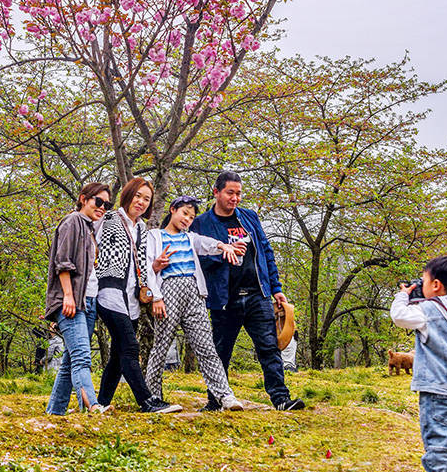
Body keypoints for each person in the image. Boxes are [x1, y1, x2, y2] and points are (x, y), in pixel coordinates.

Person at [191, 171, 304, 411]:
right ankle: (216, 400)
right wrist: (224, 253)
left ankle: (281, 399)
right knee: (220, 351)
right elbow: (196, 260)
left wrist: (276, 288)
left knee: (269, 347)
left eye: (239, 193)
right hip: (224, 298)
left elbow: (266, 252)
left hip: (257, 294)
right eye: (230, 193)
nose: (235, 198)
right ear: (216, 192)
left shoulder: (249, 218)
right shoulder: (201, 223)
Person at [144, 195, 245, 411]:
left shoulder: (190, 238)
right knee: (161, 346)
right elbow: (147, 267)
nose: (187, 219)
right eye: (184, 213)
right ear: (173, 210)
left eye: (191, 217)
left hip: (194, 292)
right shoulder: (155, 235)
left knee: (206, 345)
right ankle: (152, 395)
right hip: (168, 290)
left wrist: (223, 246)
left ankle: (224, 395)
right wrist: (157, 297)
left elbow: (204, 243)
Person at [390, 255, 447, 472]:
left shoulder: (427, 311)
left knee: (437, 430)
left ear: (436, 285)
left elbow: (398, 316)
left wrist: (403, 295)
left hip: (437, 383)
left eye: (423, 281)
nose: (420, 286)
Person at [95, 177, 182, 414]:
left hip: (132, 296)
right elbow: (86, 234)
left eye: (146, 199)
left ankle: (100, 404)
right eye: (138, 196)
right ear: (128, 195)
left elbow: (140, 262)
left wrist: (154, 267)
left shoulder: (142, 228)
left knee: (117, 354)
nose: (141, 202)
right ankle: (147, 401)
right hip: (108, 290)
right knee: (131, 347)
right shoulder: (108, 218)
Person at [45, 183, 113, 416]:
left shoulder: (90, 228)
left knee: (70, 361)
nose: (103, 207)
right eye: (99, 201)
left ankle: (54, 413)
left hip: (89, 301)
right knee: (83, 357)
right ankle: (92, 406)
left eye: (107, 204)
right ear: (84, 199)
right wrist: (67, 296)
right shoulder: (72, 221)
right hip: (72, 301)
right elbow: (62, 263)